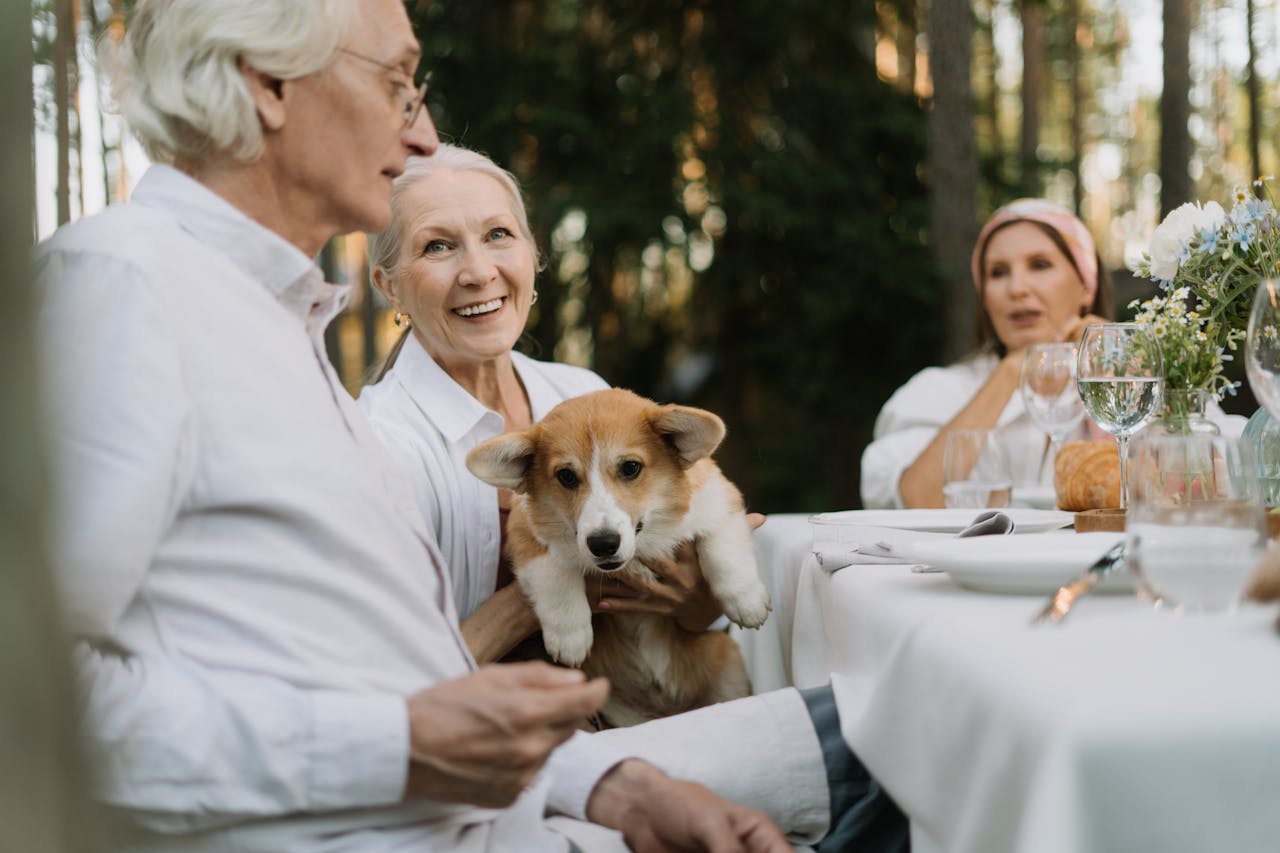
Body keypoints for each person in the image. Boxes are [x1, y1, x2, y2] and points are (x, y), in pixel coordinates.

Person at [34, 1, 906, 850]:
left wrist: (617, 786)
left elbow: (407, 678)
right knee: (910, 731)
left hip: (521, 806)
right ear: (268, 84)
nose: (419, 135)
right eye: (401, 83)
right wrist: (400, 742)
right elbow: (34, 692)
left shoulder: (277, 334)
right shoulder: (123, 287)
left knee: (916, 708)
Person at [357, 145, 724, 665]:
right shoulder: (379, 444)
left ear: (532, 256)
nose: (479, 271)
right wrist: (542, 593)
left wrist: (697, 599)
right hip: (493, 736)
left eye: (498, 235)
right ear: (388, 286)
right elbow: (385, 680)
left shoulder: (582, 393)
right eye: (438, 246)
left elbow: (699, 616)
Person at [861, 198, 1114, 509]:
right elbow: (917, 500)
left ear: (1087, 285)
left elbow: (1174, 495)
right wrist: (1011, 372)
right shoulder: (940, 390)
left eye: (1039, 265)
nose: (1017, 289)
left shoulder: (1129, 386)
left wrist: (1123, 365)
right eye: (997, 273)